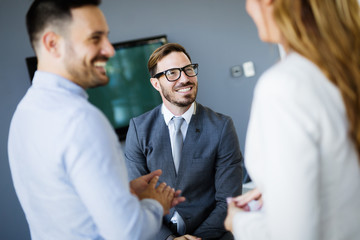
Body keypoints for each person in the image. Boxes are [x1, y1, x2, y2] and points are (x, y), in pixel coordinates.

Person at [8, 1, 184, 239]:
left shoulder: (25, 112)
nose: (109, 50)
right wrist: (155, 204)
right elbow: (129, 232)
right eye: (95, 38)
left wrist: (123, 193)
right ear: (52, 43)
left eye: (107, 38)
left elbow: (63, 203)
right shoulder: (82, 120)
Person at [224, 0, 360, 240]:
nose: (248, 8)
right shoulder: (348, 67)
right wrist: (278, 190)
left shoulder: (284, 86)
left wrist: (238, 223)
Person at [125, 43, 243, 240]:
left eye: (188, 70)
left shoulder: (222, 127)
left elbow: (227, 200)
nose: (185, 78)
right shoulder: (138, 129)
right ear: (156, 83)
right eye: (172, 73)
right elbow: (137, 200)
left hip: (213, 235)